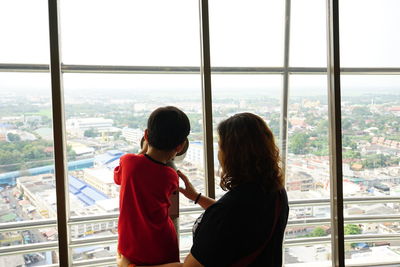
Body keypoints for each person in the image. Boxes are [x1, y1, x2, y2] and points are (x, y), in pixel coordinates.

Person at [118, 112, 289, 267]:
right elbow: (237, 218)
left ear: (231, 156)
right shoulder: (276, 192)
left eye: (221, 147)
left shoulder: (227, 212)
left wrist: (128, 266)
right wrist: (197, 197)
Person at [114, 106, 190, 266]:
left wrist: (142, 151)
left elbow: (117, 178)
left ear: (146, 135)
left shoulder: (128, 162)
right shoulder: (171, 176)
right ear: (180, 146)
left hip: (131, 245)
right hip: (163, 245)